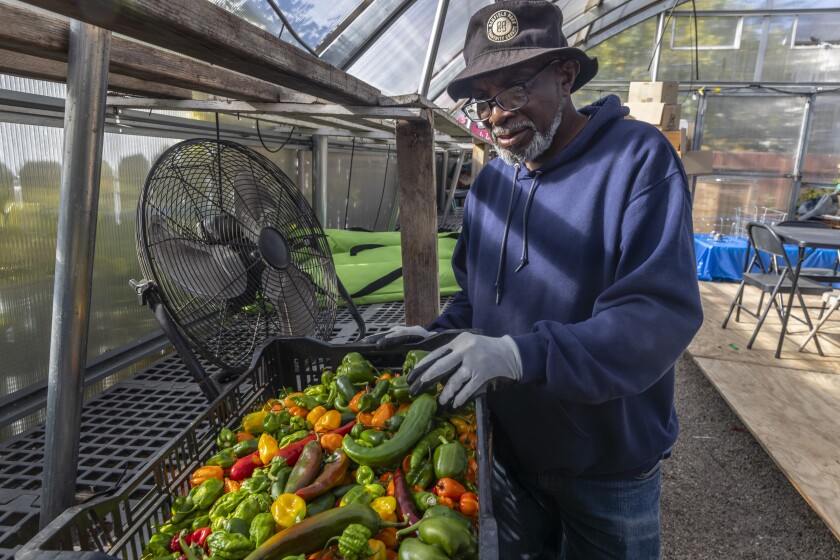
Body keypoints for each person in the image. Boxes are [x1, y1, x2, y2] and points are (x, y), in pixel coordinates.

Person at [372, 1, 703, 558]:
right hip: (510, 456)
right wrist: (438, 335)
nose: (496, 115)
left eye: (514, 90)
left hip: (606, 466)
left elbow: (657, 314)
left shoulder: (637, 161)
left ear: (565, 73)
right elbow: (477, 304)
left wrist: (524, 356)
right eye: (483, 101)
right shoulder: (491, 185)